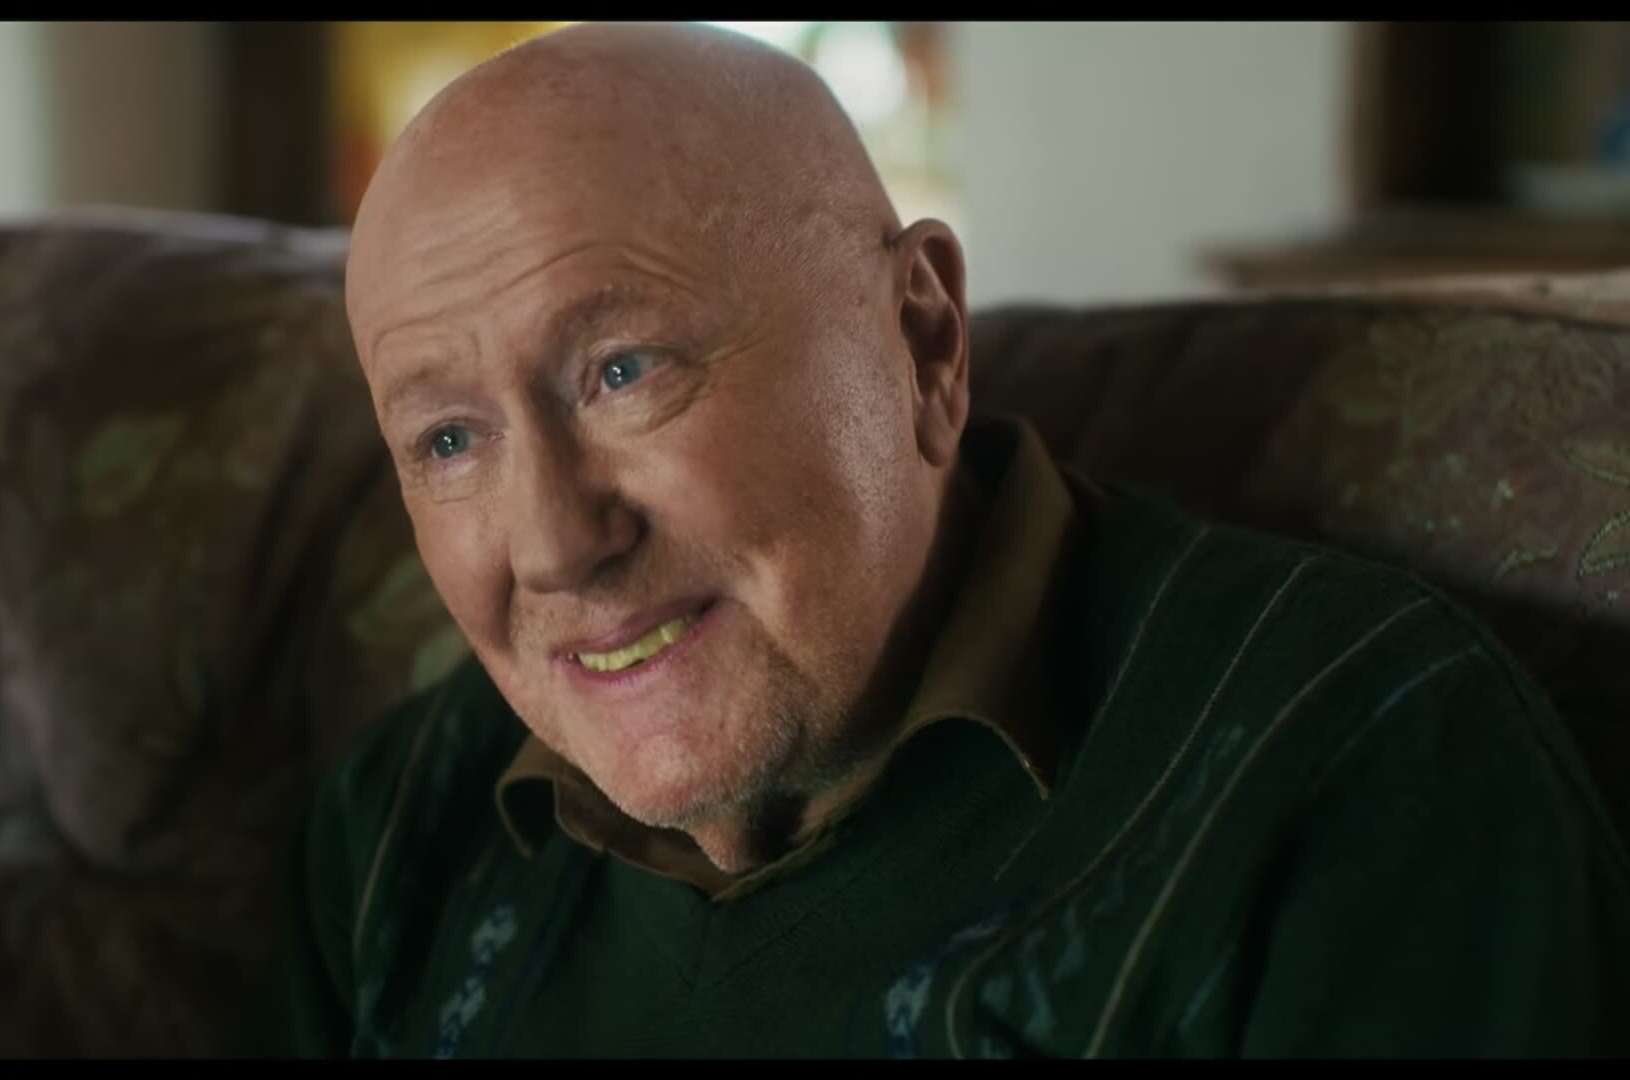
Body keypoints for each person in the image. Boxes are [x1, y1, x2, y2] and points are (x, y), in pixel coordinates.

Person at [254, 22, 1630, 1058]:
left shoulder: (1364, 765)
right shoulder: (401, 829)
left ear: (922, 342)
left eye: (625, 371)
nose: (555, 544)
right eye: (449, 440)